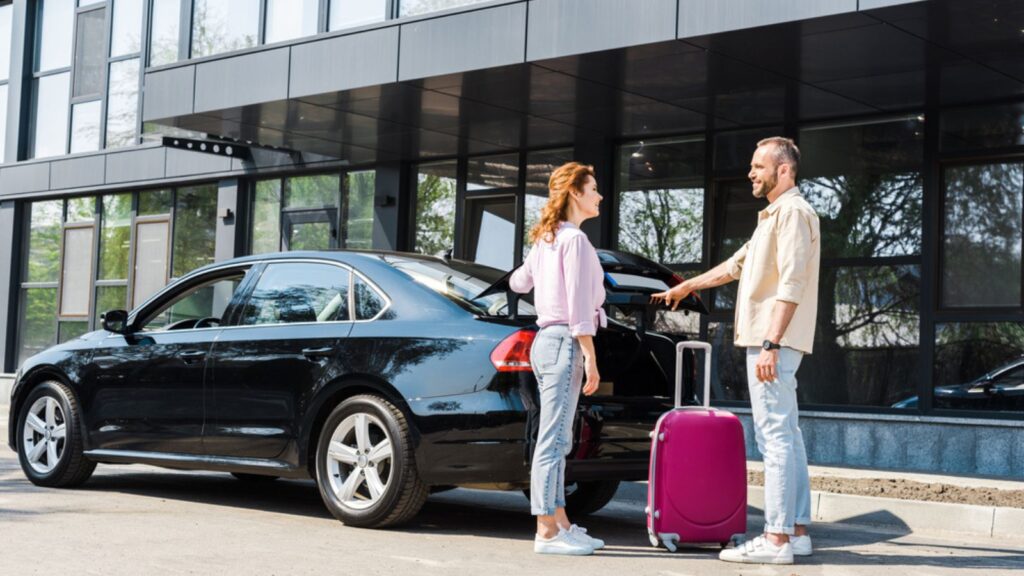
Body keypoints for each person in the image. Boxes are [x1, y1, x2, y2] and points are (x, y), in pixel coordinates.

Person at [652, 137, 820, 565]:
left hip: (772, 343)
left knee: (774, 436)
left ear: (784, 170)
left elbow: (792, 284)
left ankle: (777, 538)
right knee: (789, 435)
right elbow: (734, 265)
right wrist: (687, 286)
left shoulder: (794, 214)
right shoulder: (772, 217)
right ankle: (797, 530)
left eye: (758, 166)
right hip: (772, 342)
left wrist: (770, 343)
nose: (751, 173)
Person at [509, 162, 607, 556]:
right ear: (576, 194)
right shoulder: (575, 242)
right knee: (553, 440)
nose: (599, 195)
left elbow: (519, 283)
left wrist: (537, 263)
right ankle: (546, 531)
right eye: (594, 189)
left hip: (543, 342)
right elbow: (580, 305)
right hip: (565, 340)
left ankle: (561, 521)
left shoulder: (548, 240)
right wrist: (591, 357)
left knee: (558, 437)